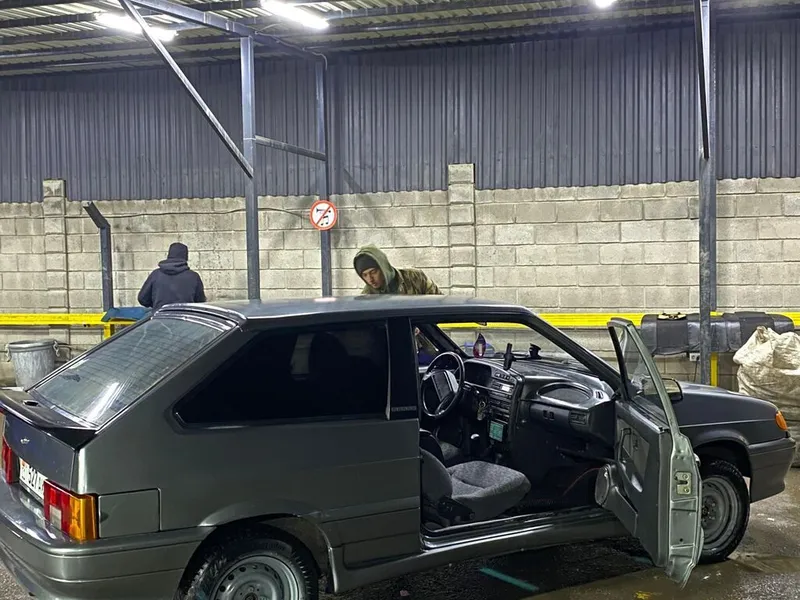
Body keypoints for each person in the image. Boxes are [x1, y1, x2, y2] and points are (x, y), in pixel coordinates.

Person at [138, 242, 206, 311]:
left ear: (169, 255)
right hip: (185, 316)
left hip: (160, 316)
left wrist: (156, 305)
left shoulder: (156, 275)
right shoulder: (193, 277)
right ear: (186, 257)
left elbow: (142, 299)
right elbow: (200, 303)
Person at [353, 245, 441, 295]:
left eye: (373, 272)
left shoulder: (415, 278)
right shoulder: (367, 297)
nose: (370, 279)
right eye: (365, 275)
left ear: (383, 268)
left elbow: (438, 303)